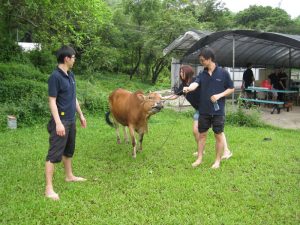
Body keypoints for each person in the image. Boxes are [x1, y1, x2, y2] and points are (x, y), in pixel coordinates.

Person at [162, 65, 232, 160]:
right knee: (196, 131)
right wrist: (163, 98)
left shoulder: (196, 80)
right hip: (199, 110)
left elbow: (196, 85)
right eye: (180, 72)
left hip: (209, 107)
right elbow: (175, 95)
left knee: (218, 131)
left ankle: (226, 151)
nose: (180, 74)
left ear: (188, 72)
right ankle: (201, 150)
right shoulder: (183, 85)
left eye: (182, 72)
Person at [45, 45, 87, 200]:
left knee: (69, 150)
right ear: (66, 58)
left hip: (71, 120)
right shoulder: (55, 77)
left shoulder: (71, 75)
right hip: (61, 121)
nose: (75, 60)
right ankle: (48, 188)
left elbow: (73, 97)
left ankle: (69, 176)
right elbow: (52, 101)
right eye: (74, 57)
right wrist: (58, 123)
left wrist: (81, 115)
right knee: (53, 154)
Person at [183, 47, 234, 169]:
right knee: (202, 135)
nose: (201, 63)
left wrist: (219, 95)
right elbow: (196, 83)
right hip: (204, 110)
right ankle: (199, 159)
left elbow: (231, 89)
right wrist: (189, 88)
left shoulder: (223, 73)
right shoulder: (202, 73)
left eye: (202, 60)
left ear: (209, 59)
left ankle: (217, 161)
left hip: (218, 111)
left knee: (218, 135)